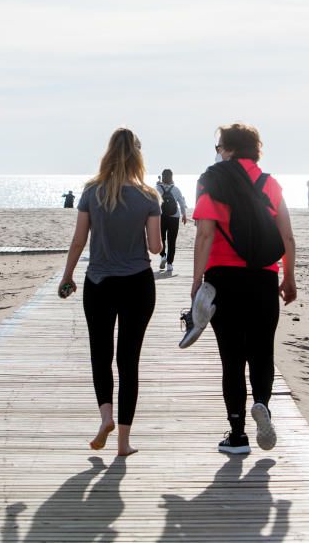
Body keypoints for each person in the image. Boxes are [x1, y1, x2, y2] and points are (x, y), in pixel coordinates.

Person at [191, 123, 297, 454]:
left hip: (224, 279)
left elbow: (205, 234)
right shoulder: (270, 184)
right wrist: (289, 277)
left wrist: (196, 281)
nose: (218, 153)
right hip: (264, 278)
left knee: (232, 358)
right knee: (262, 350)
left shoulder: (211, 181)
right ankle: (262, 403)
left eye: (220, 147)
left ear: (229, 149)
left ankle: (237, 435)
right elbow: (288, 237)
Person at [58, 127, 162, 457]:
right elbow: (156, 247)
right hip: (138, 283)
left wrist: (68, 275)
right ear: (138, 155)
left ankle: (105, 417)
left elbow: (79, 240)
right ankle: (124, 443)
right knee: (128, 361)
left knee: (100, 355)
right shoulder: (148, 196)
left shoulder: (91, 191)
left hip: (99, 283)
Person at [156, 169, 189, 274]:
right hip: (174, 217)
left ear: (163, 177)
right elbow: (181, 203)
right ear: (171, 177)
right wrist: (184, 215)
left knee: (161, 238)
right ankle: (170, 264)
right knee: (172, 240)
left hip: (161, 216)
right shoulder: (176, 189)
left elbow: (152, 202)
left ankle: (163, 257)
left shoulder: (157, 188)